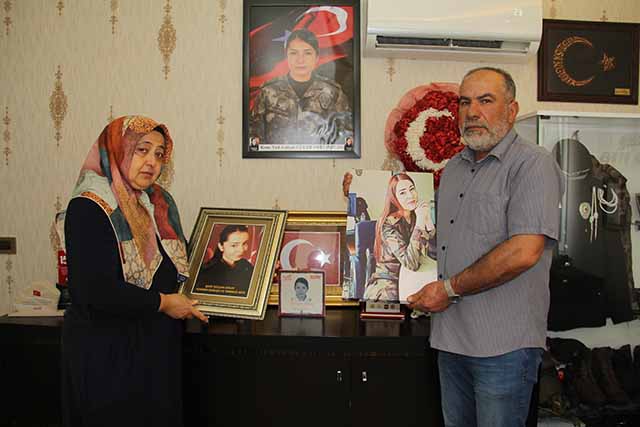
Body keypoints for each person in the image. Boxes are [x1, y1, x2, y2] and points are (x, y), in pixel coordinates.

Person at [407, 67, 563, 427]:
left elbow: (524, 251)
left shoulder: (532, 164)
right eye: (465, 102)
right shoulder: (454, 168)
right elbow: (433, 239)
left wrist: (448, 289)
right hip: (450, 340)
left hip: (503, 348)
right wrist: (366, 199)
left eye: (485, 100)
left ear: (511, 109)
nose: (472, 112)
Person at [61, 115, 207, 427]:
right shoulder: (90, 206)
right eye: (142, 150)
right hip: (108, 353)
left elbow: (177, 264)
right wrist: (164, 303)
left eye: (159, 154)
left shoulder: (159, 202)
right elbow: (94, 290)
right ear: (117, 149)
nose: (152, 161)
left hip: (155, 347)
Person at [249, 28, 352, 146]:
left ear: (316, 57)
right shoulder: (268, 92)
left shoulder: (333, 93)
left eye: (307, 53)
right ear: (286, 56)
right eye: (294, 53)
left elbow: (345, 136)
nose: (300, 60)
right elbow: (254, 135)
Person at [363, 173, 435, 301]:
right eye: (402, 193)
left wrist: (428, 221)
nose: (410, 195)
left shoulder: (414, 215)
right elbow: (411, 263)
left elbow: (434, 254)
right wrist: (420, 222)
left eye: (412, 189)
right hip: (388, 284)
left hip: (411, 277)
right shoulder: (387, 224)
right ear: (394, 197)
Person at [195, 225, 254, 296]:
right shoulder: (207, 272)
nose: (241, 250)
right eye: (234, 245)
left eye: (244, 243)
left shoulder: (247, 266)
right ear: (221, 246)